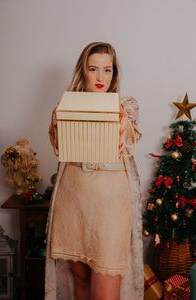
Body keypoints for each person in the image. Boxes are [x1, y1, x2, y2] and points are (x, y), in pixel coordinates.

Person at [45, 42, 143, 300]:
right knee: (79, 278)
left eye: (107, 70)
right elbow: (59, 146)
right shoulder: (66, 105)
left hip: (110, 205)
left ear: (114, 74)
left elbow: (129, 142)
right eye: (93, 69)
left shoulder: (127, 106)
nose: (101, 77)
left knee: (106, 283)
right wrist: (59, 119)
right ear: (83, 71)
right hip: (73, 200)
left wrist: (120, 120)